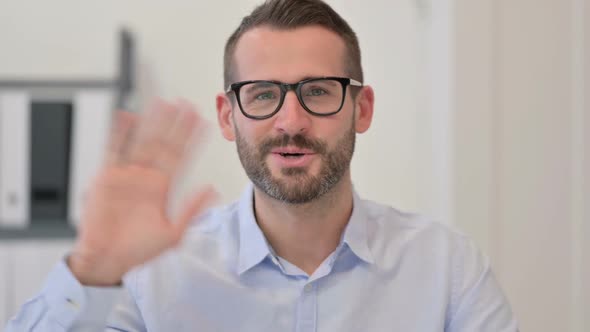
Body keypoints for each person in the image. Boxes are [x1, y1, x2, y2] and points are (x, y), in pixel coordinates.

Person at [5, 0, 518, 331]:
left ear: (361, 109)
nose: (290, 121)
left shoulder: (446, 268)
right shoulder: (153, 275)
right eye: (263, 94)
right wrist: (93, 272)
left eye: (318, 91)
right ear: (228, 116)